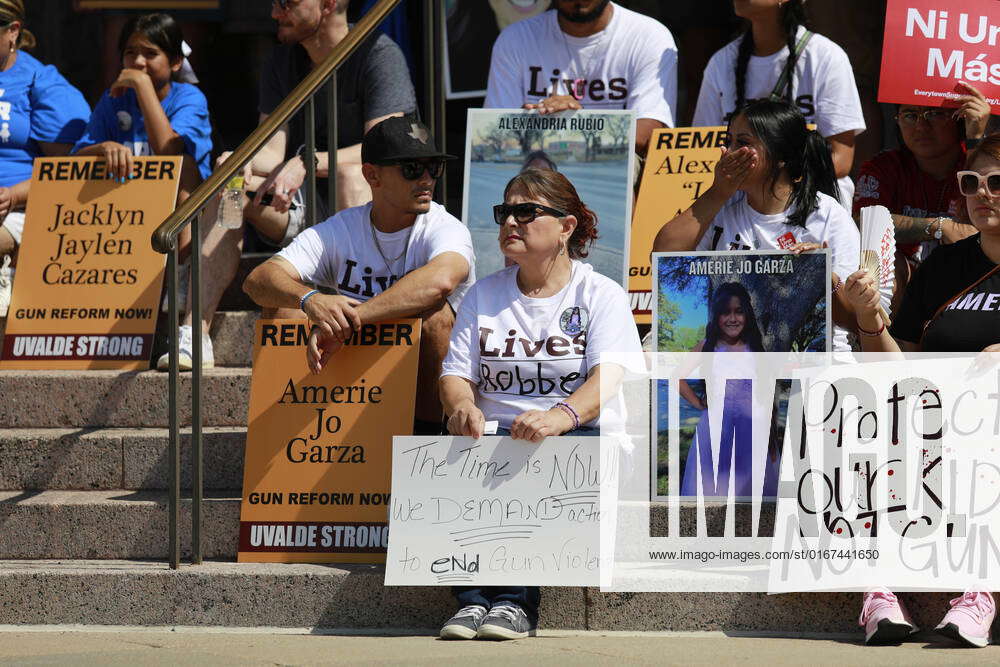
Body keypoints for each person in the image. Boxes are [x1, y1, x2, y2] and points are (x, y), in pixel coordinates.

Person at [438, 167, 644, 640]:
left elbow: (608, 379)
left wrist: (559, 416)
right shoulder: (483, 293)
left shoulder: (600, 294)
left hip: (576, 437)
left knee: (529, 459)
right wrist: (461, 407)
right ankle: (471, 603)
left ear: (567, 226)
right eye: (505, 211)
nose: (511, 221)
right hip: (497, 438)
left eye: (526, 212)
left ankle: (512, 603)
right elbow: (454, 375)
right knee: (450, 447)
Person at [159, 0, 417, 371]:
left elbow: (388, 149)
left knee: (351, 177)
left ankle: (349, 320)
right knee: (230, 182)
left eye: (287, 3)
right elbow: (272, 149)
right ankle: (194, 332)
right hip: (300, 208)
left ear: (328, 4)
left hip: (365, 212)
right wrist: (241, 160)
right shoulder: (283, 59)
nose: (275, 13)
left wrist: (309, 162)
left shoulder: (377, 52)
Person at [845, 135, 1000, 648]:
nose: (984, 194)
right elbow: (898, 370)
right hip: (934, 424)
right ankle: (879, 592)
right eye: (972, 183)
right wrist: (869, 321)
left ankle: (981, 591)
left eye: (997, 182)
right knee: (857, 425)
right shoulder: (944, 266)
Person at [243, 116, 474, 434]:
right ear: (372, 176)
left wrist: (350, 321)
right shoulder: (341, 228)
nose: (426, 179)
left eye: (434, 167)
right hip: (353, 370)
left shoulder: (444, 227)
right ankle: (290, 438)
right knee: (284, 310)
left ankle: (425, 441)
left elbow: (441, 280)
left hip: (419, 378)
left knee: (436, 318)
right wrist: (310, 298)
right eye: (411, 168)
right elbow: (258, 280)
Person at [653, 99, 860, 352]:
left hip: (816, 363)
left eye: (743, 143)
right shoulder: (720, 207)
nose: (727, 152)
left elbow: (854, 320)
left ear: (781, 156)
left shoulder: (828, 217)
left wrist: (826, 278)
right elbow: (662, 257)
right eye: (728, 141)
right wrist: (717, 192)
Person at [692, 0, 865, 209]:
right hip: (739, 199)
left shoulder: (826, 56)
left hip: (810, 196)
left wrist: (773, 185)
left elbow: (841, 158)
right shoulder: (721, 62)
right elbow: (701, 150)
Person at [853, 84, 990, 313]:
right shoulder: (883, 167)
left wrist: (975, 137)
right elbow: (861, 221)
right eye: (910, 115)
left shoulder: (977, 161)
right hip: (904, 284)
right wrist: (937, 227)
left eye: (935, 114)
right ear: (896, 120)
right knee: (881, 262)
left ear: (959, 118)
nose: (921, 125)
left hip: (968, 280)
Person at [484, 0, 677, 155]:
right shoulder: (516, 39)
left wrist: (578, 121)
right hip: (535, 170)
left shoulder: (648, 35)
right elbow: (494, 131)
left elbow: (648, 132)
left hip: (611, 168)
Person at [0, 0, 90, 317]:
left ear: (13, 31)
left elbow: (67, 173)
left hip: (20, 207)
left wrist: (12, 195)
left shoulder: (41, 83)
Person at [73, 13, 211, 204]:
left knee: (185, 165)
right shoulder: (114, 99)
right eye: (130, 52)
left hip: (177, 208)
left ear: (176, 62)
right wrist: (105, 147)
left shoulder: (189, 98)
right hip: (127, 207)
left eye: (150, 53)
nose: (138, 61)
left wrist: (142, 84)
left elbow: (168, 151)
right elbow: (76, 159)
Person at [678, 282, 772, 498]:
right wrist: (698, 403)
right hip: (714, 432)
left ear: (747, 314)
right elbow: (677, 378)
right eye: (725, 313)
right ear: (716, 316)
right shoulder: (707, 346)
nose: (732, 318)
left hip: (752, 431)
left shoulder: (755, 347)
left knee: (750, 496)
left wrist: (771, 440)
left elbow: (765, 392)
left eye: (738, 312)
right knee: (712, 491)